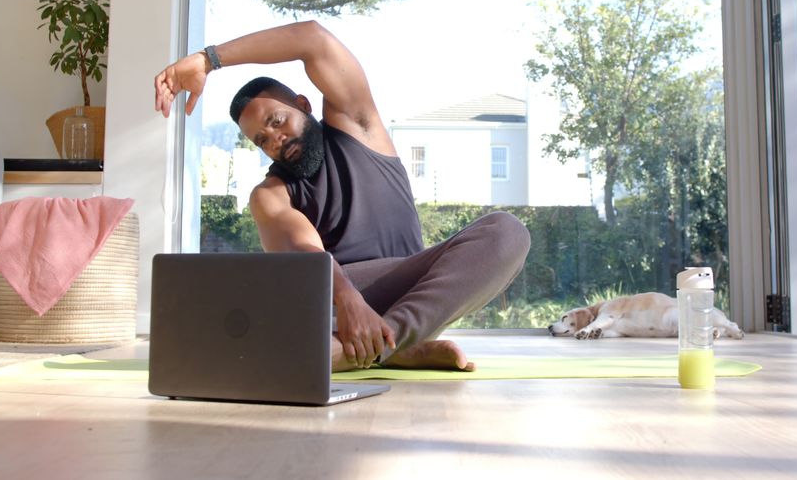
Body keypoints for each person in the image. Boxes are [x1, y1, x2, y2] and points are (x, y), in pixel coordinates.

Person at [153, 21, 531, 373]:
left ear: (303, 105)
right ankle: (392, 347)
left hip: (407, 285)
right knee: (267, 300)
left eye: (276, 122)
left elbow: (312, 39)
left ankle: (381, 344)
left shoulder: (358, 124)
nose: (275, 141)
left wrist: (208, 60)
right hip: (335, 300)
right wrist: (348, 297)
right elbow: (305, 255)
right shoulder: (270, 194)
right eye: (262, 141)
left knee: (507, 232)